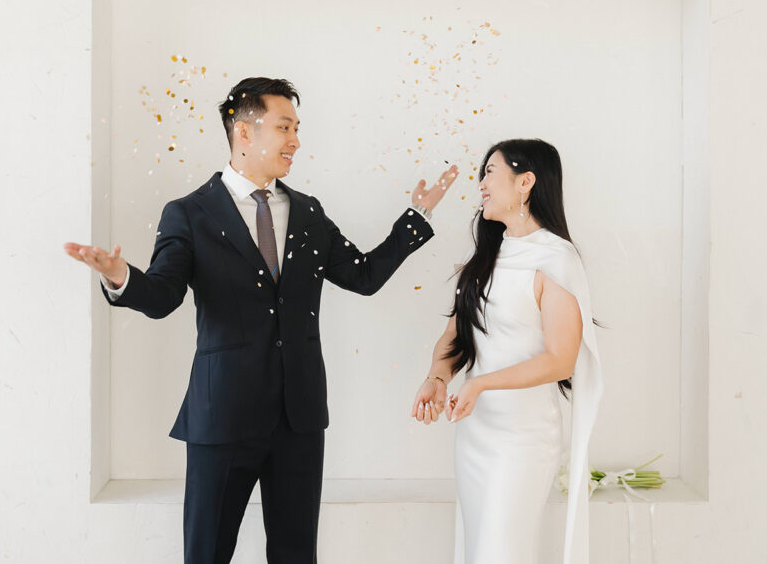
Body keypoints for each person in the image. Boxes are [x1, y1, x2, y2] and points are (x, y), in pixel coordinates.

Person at [64, 77, 459, 563]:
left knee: (296, 555)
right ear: (244, 133)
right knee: (207, 553)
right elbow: (163, 295)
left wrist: (416, 217)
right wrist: (121, 276)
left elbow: (364, 276)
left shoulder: (309, 212)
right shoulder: (189, 214)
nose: (296, 140)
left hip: (300, 417)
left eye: (297, 128)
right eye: (284, 127)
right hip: (222, 414)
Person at [411, 138, 603, 564]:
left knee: (502, 553)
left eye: (491, 172)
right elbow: (453, 336)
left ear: (526, 182)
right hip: (475, 433)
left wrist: (480, 383)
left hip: (523, 438)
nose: (481, 183)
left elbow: (560, 359)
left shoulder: (557, 259)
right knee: (478, 549)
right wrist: (437, 377)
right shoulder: (486, 256)